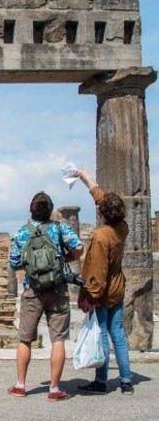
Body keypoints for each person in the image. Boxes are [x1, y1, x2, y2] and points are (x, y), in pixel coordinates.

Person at [8, 191, 84, 401]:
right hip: (58, 289)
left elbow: (14, 263)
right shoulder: (61, 228)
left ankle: (20, 385)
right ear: (50, 211)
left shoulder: (21, 233)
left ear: (30, 210)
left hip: (32, 290)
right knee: (58, 339)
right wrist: (66, 257)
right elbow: (79, 248)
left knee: (24, 339)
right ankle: (54, 389)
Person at [75, 169, 134, 395]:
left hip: (103, 292)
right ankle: (126, 381)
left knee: (100, 334)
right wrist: (85, 178)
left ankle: (101, 381)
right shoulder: (122, 227)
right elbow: (104, 200)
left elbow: (98, 272)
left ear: (102, 213)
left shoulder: (101, 237)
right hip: (118, 287)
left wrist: (92, 296)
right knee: (117, 334)